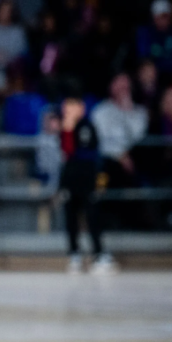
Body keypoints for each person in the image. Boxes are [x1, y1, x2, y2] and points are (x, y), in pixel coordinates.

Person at [59, 97, 115, 276]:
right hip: (70, 180)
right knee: (71, 219)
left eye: (72, 106)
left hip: (87, 180)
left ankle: (99, 254)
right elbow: (66, 154)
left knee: (93, 217)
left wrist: (100, 183)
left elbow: (85, 154)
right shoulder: (66, 128)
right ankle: (74, 254)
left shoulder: (86, 126)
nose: (68, 110)